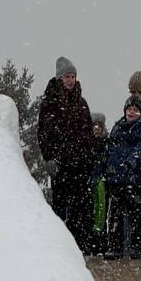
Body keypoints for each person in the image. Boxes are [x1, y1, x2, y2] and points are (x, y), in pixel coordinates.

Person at [37, 55, 94, 252]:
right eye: (66, 76)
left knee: (81, 208)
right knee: (61, 207)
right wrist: (49, 158)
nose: (70, 80)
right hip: (61, 164)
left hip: (80, 164)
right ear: (59, 78)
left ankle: (81, 247)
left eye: (72, 76)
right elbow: (43, 132)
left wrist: (89, 157)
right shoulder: (50, 102)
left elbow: (88, 133)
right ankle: (60, 249)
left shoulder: (82, 103)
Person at [104, 97, 141, 259]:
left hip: (132, 179)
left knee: (135, 214)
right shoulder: (117, 128)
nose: (131, 112)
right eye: (129, 109)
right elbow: (111, 150)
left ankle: (137, 247)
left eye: (135, 109)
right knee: (115, 214)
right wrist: (109, 166)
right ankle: (114, 246)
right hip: (116, 179)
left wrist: (132, 161)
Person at [89, 112, 109, 256]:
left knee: (101, 210)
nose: (96, 128)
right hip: (89, 181)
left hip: (101, 181)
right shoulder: (87, 143)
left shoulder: (106, 144)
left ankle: (100, 239)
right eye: (94, 125)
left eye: (99, 125)